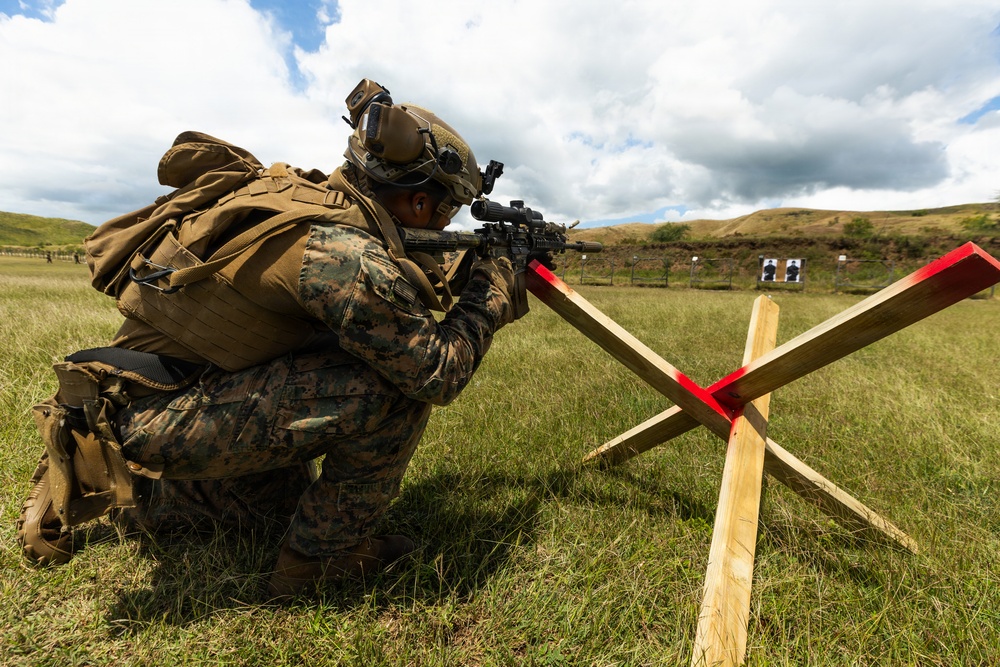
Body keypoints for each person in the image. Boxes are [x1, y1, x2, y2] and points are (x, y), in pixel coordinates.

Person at [17, 79, 519, 598]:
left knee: (279, 505)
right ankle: (319, 562)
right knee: (394, 389)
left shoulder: (304, 200)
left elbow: (384, 286)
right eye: (446, 212)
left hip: (136, 396)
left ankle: (112, 480)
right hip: (155, 412)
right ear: (419, 203)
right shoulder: (345, 257)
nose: (443, 225)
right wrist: (491, 292)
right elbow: (436, 372)